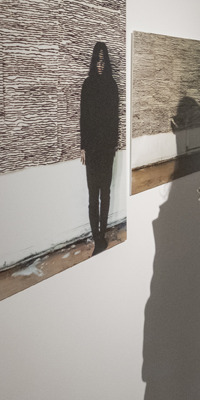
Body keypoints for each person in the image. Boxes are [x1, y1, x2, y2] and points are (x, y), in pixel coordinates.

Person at [80, 41, 119, 254]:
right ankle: (97, 238)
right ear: (94, 61)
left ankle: (102, 234)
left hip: (107, 149)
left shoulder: (112, 85)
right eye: (98, 60)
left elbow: (115, 119)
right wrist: (83, 147)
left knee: (106, 193)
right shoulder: (87, 85)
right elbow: (83, 118)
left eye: (104, 60)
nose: (101, 65)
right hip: (93, 150)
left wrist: (113, 146)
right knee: (92, 195)